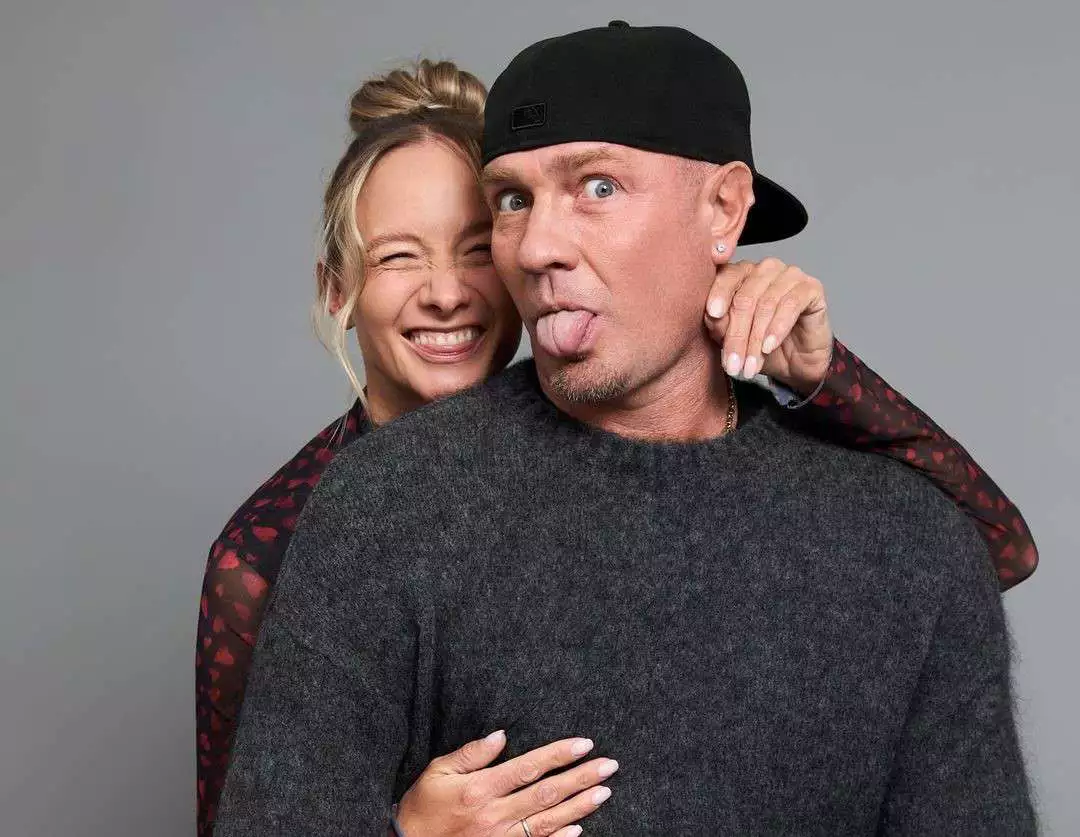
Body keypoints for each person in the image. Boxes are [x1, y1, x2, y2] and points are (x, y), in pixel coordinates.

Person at [205, 32, 1037, 836]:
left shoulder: (905, 537)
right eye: (512, 200)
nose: (537, 248)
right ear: (337, 289)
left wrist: (817, 372)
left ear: (725, 208)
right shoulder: (366, 509)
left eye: (598, 187)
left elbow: (984, 546)